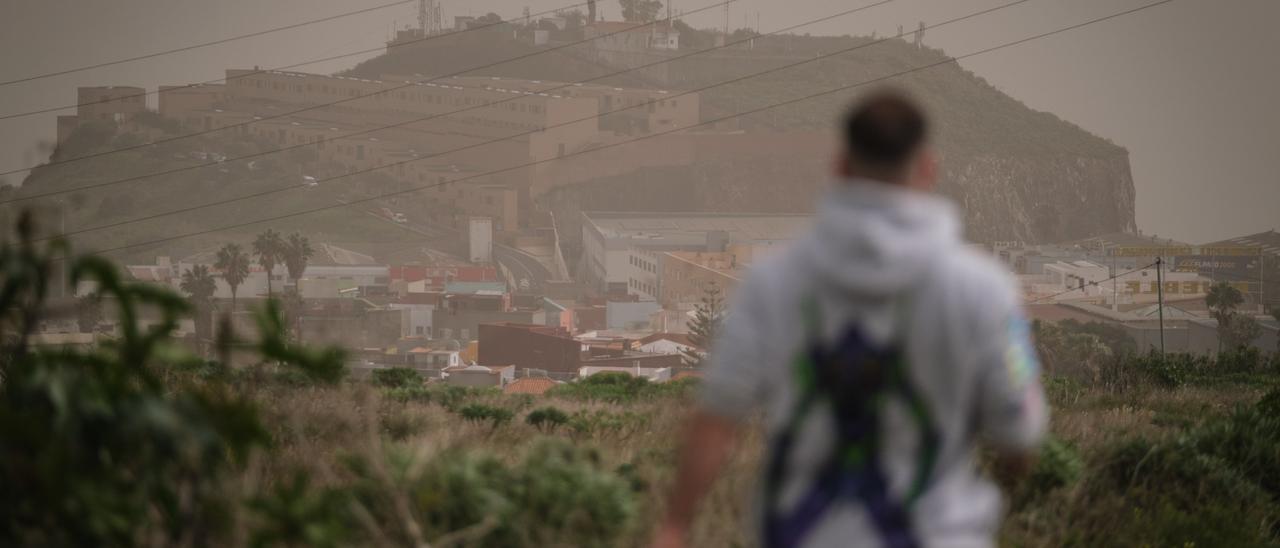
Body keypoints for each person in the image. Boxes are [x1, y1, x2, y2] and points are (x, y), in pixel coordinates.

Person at [652, 91, 1047, 548]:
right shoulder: (985, 289)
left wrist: (675, 525)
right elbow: (1019, 428)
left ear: (839, 165)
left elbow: (718, 418)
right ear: (927, 168)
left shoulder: (772, 282)